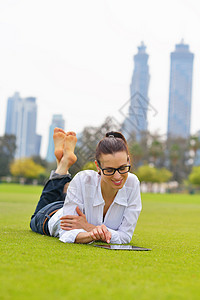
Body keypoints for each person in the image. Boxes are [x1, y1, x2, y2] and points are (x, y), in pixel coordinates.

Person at [30, 128, 142, 244]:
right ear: (97, 166)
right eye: (109, 170)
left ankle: (63, 162)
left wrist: (88, 227)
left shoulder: (133, 183)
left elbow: (125, 237)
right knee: (34, 217)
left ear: (128, 161)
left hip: (72, 206)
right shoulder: (83, 179)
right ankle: (63, 165)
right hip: (51, 215)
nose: (118, 176)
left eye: (123, 168)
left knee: (67, 196)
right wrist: (95, 234)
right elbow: (66, 234)